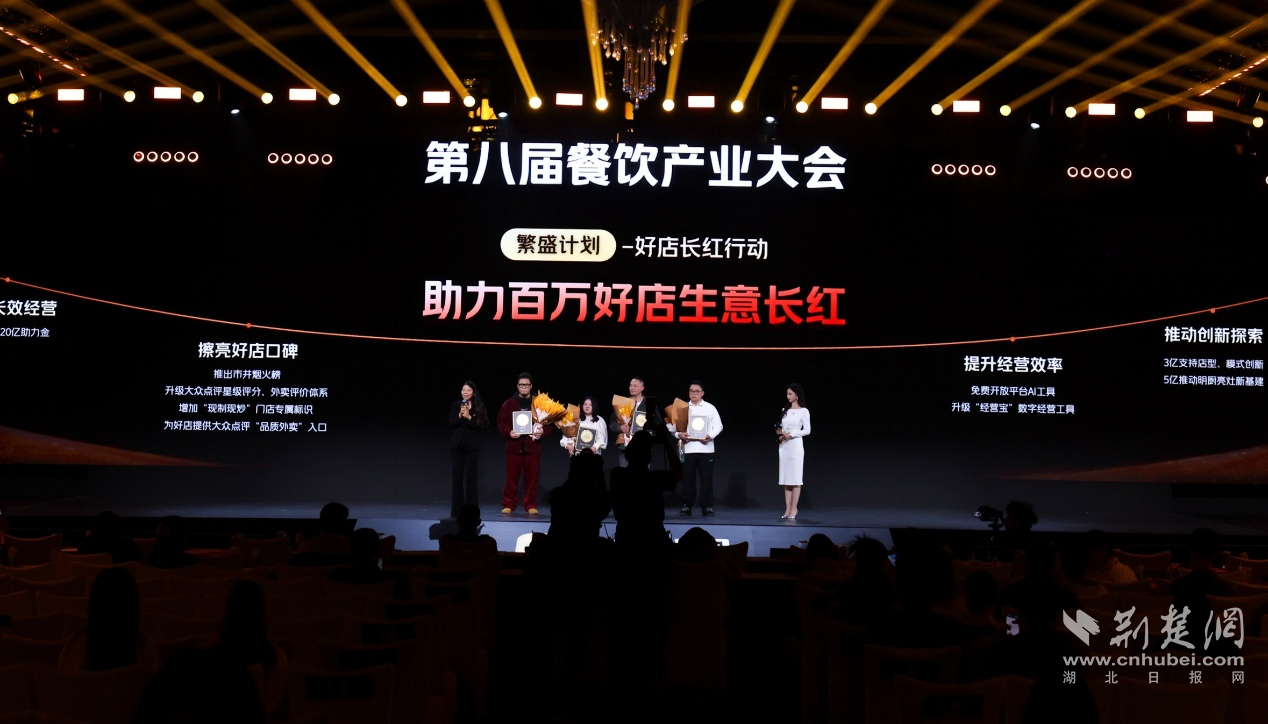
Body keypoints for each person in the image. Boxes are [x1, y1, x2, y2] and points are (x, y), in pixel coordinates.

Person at [496, 372, 555, 515]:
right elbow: (501, 422)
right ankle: (509, 504)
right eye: (521, 385)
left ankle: (530, 504)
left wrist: (542, 432)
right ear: (517, 386)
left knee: (532, 479)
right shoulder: (509, 403)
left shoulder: (539, 404)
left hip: (532, 447)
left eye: (526, 385)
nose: (524, 387)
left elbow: (549, 424)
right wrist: (509, 432)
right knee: (511, 478)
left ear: (531, 386)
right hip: (514, 447)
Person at [668, 380, 723, 517]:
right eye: (691, 391)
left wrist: (710, 435)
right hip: (688, 449)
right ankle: (687, 505)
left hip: (706, 449)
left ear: (702, 393)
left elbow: (719, 426)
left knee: (706, 479)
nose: (694, 393)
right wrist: (679, 434)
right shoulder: (683, 408)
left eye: (697, 391)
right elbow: (671, 426)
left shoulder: (710, 408)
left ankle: (707, 506)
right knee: (687, 479)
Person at [449, 380, 489, 518]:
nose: (465, 392)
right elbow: (451, 423)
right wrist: (460, 416)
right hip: (457, 446)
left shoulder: (479, 406)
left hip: (472, 446)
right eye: (463, 390)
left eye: (468, 390)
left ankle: (472, 511)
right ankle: (456, 511)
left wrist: (469, 417)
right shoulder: (456, 405)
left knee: (471, 478)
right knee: (457, 479)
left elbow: (482, 424)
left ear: (473, 392)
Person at [610, 376, 667, 468]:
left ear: (642, 388)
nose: (632, 388)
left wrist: (648, 433)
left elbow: (658, 423)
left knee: (643, 475)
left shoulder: (648, 403)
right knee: (625, 474)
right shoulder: (622, 403)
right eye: (630, 385)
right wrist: (620, 428)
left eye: (635, 386)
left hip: (644, 447)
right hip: (625, 446)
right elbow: (612, 422)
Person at [777, 383, 811, 520]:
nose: (788, 396)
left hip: (795, 446)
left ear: (797, 395)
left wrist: (792, 434)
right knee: (786, 478)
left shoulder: (804, 411)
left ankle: (794, 508)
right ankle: (787, 508)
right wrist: (780, 434)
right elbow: (780, 427)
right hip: (784, 446)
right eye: (787, 394)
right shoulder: (785, 410)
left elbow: (807, 430)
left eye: (790, 394)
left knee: (795, 478)